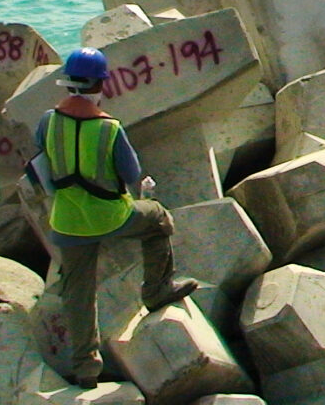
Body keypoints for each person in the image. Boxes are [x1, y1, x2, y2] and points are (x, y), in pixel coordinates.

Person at [30, 47, 200, 389]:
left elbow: (41, 152)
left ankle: (86, 369)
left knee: (78, 291)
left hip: (66, 221)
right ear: (100, 86)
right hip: (111, 217)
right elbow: (132, 171)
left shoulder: (48, 120)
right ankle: (156, 290)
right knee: (158, 220)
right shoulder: (109, 128)